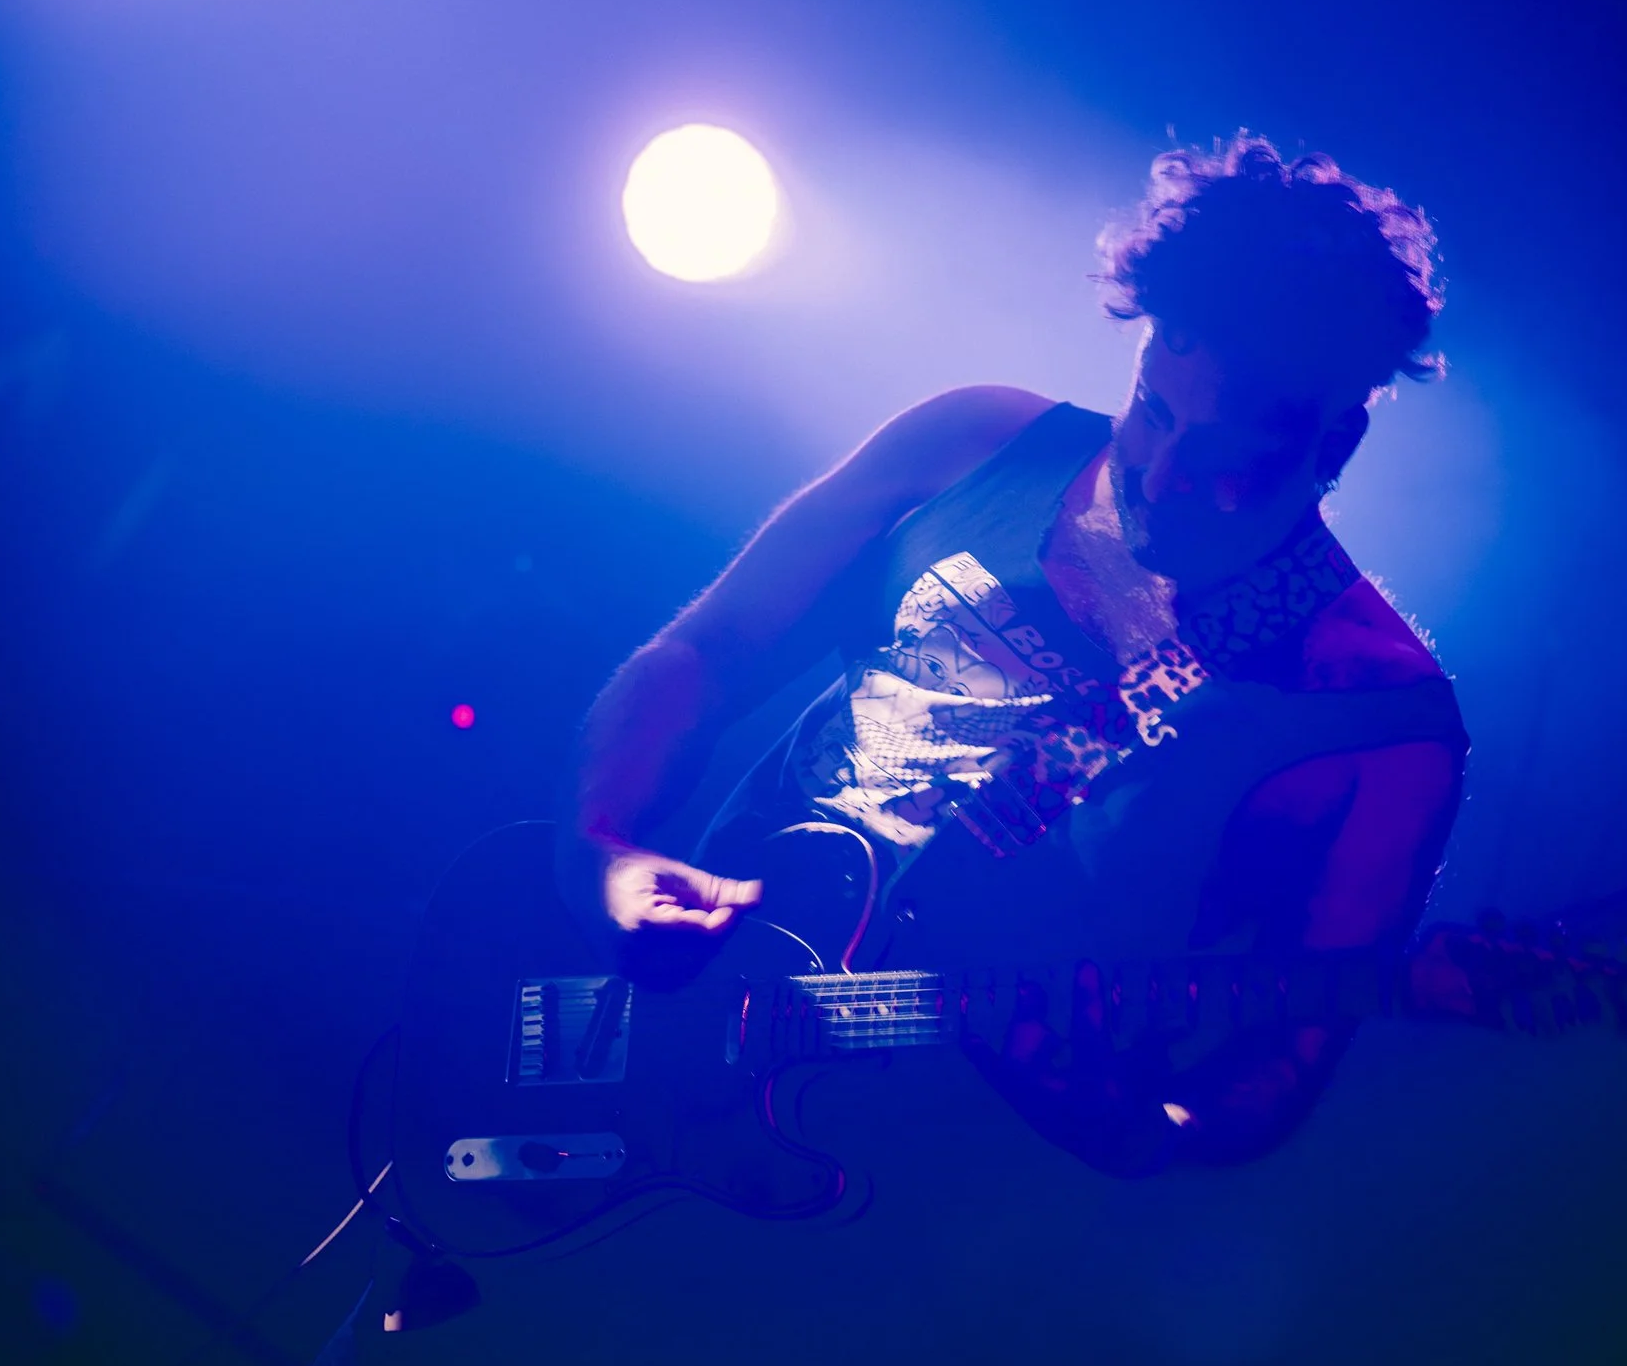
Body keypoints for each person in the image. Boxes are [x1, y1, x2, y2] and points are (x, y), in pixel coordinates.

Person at [572, 134, 1467, 1174]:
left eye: (1224, 460)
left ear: (1334, 446)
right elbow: (708, 648)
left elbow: (1276, 1068)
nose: (1160, 477)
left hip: (943, 1204)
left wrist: (1128, 1126)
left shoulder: (1380, 715)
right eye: (1153, 412)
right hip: (683, 1037)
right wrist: (601, 847)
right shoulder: (974, 443)